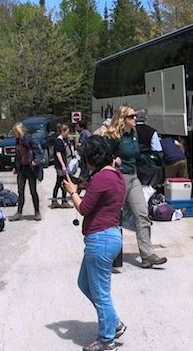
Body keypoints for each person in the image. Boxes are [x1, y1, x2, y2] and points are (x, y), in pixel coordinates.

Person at [62, 135, 127, 351]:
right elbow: (100, 195)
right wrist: (83, 184)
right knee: (85, 284)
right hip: (110, 237)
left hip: (100, 239)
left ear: (92, 158)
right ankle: (114, 322)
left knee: (100, 293)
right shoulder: (116, 175)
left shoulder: (100, 179)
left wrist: (73, 192)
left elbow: (84, 208)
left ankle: (107, 340)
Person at [104, 105, 167, 269]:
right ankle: (109, 257)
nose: (135, 119)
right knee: (113, 218)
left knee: (143, 214)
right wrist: (113, 162)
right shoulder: (114, 137)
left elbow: (138, 156)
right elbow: (102, 157)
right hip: (118, 178)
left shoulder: (134, 134)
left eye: (134, 116)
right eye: (131, 116)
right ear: (122, 119)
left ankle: (147, 255)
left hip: (133, 177)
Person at [10, 122, 44, 221]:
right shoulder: (17, 141)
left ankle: (37, 212)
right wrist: (15, 167)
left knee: (33, 191)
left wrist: (35, 161)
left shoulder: (29, 139)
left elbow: (37, 152)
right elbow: (18, 155)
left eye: (15, 131)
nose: (14, 133)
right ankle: (19, 213)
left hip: (30, 168)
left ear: (19, 131)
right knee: (20, 191)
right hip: (22, 168)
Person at [133, 109, 164, 188]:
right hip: (147, 164)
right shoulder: (152, 131)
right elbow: (157, 150)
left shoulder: (130, 130)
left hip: (132, 163)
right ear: (146, 118)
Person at [50, 124, 72, 208]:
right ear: (62, 131)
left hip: (63, 164)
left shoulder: (64, 140)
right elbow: (58, 154)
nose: (67, 134)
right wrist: (63, 165)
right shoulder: (59, 141)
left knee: (59, 182)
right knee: (63, 182)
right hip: (60, 165)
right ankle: (62, 200)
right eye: (67, 132)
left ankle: (56, 200)